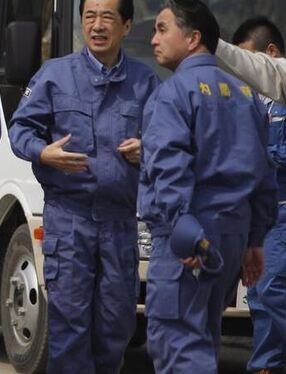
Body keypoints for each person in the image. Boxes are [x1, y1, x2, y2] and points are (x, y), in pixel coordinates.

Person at [8, 0, 158, 372]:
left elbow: (170, 140)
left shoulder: (145, 81)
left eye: (107, 17)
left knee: (116, 325)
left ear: (126, 25)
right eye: (89, 17)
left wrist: (149, 149)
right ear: (80, 25)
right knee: (69, 326)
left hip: (120, 223)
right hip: (69, 220)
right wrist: (44, 153)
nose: (97, 25)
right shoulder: (55, 75)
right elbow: (19, 130)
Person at [140, 2, 278, 372]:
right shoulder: (247, 96)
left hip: (190, 237)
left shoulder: (173, 94)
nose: (153, 39)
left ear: (193, 38)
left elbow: (168, 169)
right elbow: (264, 176)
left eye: (162, 28)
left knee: (178, 345)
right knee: (204, 337)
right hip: (233, 237)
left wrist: (184, 229)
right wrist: (254, 241)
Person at [232, 16, 286, 374]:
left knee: (269, 289)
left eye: (247, 62)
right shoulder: (253, 103)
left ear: (270, 54)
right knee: (260, 294)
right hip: (261, 217)